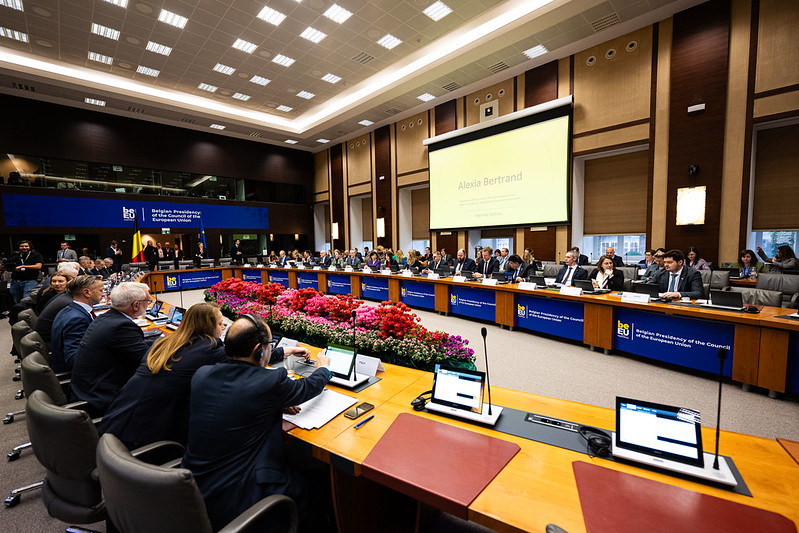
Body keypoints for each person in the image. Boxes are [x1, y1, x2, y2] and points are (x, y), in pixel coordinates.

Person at [182, 314, 331, 531]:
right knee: (318, 479)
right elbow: (307, 388)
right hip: (241, 497)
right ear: (259, 350)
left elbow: (235, 399)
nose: (271, 349)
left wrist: (274, 404)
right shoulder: (269, 382)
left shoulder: (202, 375)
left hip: (193, 491)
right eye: (270, 345)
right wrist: (323, 369)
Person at [100, 303, 227, 448]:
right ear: (208, 326)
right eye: (220, 324)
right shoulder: (210, 349)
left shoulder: (163, 343)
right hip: (142, 441)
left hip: (114, 423)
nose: (223, 328)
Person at [69, 282, 152, 415]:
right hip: (102, 400)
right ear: (136, 305)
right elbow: (147, 361)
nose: (148, 304)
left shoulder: (106, 317)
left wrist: (163, 342)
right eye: (148, 301)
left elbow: (136, 346)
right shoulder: (122, 326)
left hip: (87, 389)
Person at [51, 275, 104, 373]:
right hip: (79, 375)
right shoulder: (77, 319)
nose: (103, 294)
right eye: (101, 290)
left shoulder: (71, 309)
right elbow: (73, 358)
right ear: (87, 292)